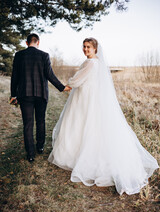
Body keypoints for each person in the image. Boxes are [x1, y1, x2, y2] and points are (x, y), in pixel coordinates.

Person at [48, 38, 159, 195]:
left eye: (88, 47)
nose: (85, 49)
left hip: (85, 98)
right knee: (87, 125)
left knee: (80, 124)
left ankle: (77, 155)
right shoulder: (97, 63)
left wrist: (68, 84)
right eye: (84, 47)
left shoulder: (91, 63)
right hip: (90, 97)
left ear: (95, 49)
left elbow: (77, 80)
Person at [10, 33, 71, 162]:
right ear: (38, 42)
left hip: (24, 94)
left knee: (28, 124)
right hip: (41, 94)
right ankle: (40, 147)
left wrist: (13, 94)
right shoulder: (44, 55)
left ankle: (30, 154)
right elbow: (50, 75)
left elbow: (14, 76)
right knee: (41, 120)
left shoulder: (19, 55)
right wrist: (61, 87)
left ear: (27, 43)